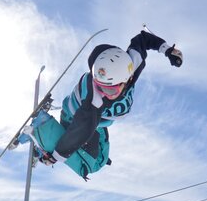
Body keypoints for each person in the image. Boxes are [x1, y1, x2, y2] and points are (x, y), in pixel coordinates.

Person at [38, 30, 183, 176]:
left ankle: (48, 139)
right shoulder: (95, 100)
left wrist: (167, 50)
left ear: (128, 79)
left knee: (102, 157)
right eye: (99, 86)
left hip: (99, 122)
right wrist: (56, 156)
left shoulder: (132, 63)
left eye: (109, 90)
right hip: (76, 118)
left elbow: (143, 39)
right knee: (92, 164)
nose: (102, 92)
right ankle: (42, 128)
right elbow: (82, 129)